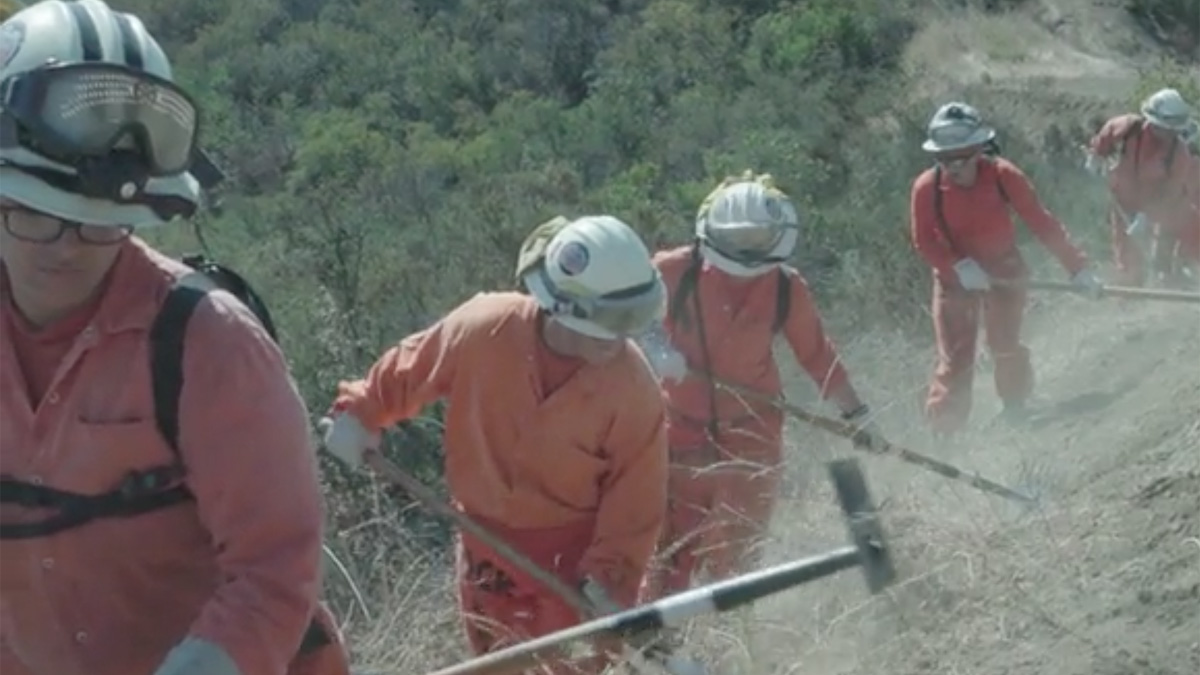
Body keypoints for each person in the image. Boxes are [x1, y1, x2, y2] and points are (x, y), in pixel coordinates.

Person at [0, 2, 352, 674]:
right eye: (35, 215)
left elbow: (273, 569)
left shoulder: (209, 345)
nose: (67, 247)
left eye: (99, 223)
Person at [321, 214, 670, 674]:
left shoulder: (633, 389)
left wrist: (611, 579)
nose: (623, 335)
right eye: (612, 318)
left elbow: (637, 498)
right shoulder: (484, 328)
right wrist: (362, 412)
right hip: (485, 556)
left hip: (574, 570)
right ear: (565, 304)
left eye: (634, 318)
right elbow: (412, 366)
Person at [635, 171, 885, 600]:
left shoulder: (786, 287)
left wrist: (857, 413)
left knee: (735, 553)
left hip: (754, 433)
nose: (749, 249)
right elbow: (635, 319)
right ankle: (660, 647)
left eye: (758, 237)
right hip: (679, 431)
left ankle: (734, 644)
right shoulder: (672, 271)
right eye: (740, 238)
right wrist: (657, 348)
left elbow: (816, 355)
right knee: (669, 551)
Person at [910, 102, 1103, 438]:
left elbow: (1042, 223)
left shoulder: (1004, 177)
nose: (952, 167)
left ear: (979, 151)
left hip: (1004, 269)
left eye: (960, 158)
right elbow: (924, 241)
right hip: (954, 281)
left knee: (1005, 343)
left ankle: (1015, 408)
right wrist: (957, 267)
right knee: (955, 358)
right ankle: (945, 433)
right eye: (944, 159)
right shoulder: (926, 189)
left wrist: (1077, 269)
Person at [1086, 88, 1200, 288]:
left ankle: (1178, 272)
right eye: (1163, 128)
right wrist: (1096, 156)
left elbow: (1171, 194)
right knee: (1128, 258)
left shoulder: (1179, 153)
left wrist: (1147, 216)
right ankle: (1128, 299)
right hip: (1123, 200)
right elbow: (1105, 137)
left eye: (1171, 130)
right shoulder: (1127, 127)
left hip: (1159, 203)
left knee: (1191, 227)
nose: (1166, 133)